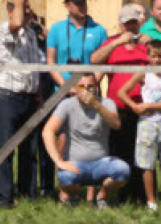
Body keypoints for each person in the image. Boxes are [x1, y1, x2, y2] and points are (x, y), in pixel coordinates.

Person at [93, 2, 150, 206]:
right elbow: (94, 60)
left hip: (144, 107)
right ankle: (120, 194)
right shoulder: (112, 43)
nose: (131, 27)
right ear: (120, 25)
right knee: (119, 152)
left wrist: (152, 42)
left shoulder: (146, 44)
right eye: (127, 24)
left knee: (141, 153)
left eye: (134, 23)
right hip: (118, 108)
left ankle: (140, 196)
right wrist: (117, 42)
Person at [42, 73, 128, 208]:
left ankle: (101, 197)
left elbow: (116, 124)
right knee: (64, 177)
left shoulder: (107, 103)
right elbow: (47, 131)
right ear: (75, 89)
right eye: (82, 86)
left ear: (97, 88)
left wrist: (96, 105)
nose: (86, 90)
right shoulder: (67, 104)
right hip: (76, 164)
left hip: (101, 163)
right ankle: (74, 197)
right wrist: (58, 161)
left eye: (90, 87)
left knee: (123, 170)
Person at [119, 40, 161, 210]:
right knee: (147, 165)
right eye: (153, 56)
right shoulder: (144, 73)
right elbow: (122, 92)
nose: (157, 60)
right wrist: (134, 106)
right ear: (148, 57)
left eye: (160, 56)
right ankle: (151, 201)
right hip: (147, 124)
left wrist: (148, 105)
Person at [0, 0, 43, 209]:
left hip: (29, 96)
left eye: (29, 9)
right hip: (9, 96)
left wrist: (38, 94)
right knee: (6, 149)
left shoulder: (31, 33)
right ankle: (5, 197)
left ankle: (28, 194)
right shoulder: (5, 29)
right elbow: (16, 23)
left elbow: (34, 67)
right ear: (11, 11)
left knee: (29, 150)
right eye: (24, 8)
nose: (28, 12)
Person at [46, 0, 107, 84]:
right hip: (62, 89)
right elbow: (51, 61)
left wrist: (90, 85)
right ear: (67, 6)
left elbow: (104, 63)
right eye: (78, 3)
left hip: (89, 88)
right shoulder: (56, 29)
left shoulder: (99, 30)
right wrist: (65, 86)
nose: (82, 6)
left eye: (84, 2)